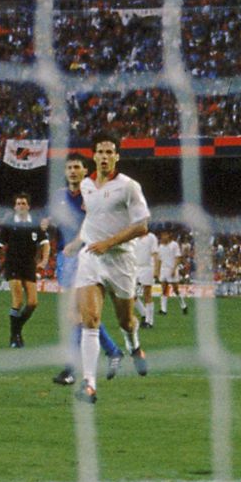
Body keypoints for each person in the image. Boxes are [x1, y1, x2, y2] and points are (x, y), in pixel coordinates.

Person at [65, 132, 151, 404]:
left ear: (117, 156)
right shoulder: (87, 185)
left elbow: (142, 225)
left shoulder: (129, 187)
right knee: (90, 319)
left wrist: (109, 242)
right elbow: (92, 217)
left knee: (126, 320)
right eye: (99, 152)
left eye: (109, 152)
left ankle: (133, 345)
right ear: (94, 156)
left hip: (121, 260)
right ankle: (89, 384)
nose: (104, 156)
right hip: (91, 258)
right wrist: (80, 241)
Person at [49, 156, 123, 387]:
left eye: (76, 167)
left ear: (84, 171)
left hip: (85, 256)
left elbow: (93, 222)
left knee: (76, 315)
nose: (72, 171)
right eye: (69, 167)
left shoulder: (91, 193)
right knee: (82, 314)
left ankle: (71, 370)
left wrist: (76, 242)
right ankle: (113, 352)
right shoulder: (59, 196)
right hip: (65, 257)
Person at [0, 192, 49, 348]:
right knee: (18, 300)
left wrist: (44, 260)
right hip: (13, 264)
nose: (21, 206)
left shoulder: (35, 223)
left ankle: (17, 329)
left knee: (33, 303)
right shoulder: (9, 224)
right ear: (15, 207)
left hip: (29, 265)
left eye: (24, 203)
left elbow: (46, 243)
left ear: (28, 206)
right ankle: (14, 336)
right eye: (19, 203)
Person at [155, 231, 189, 316]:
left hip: (171, 269)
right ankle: (163, 310)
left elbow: (178, 258)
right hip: (163, 270)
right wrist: (157, 271)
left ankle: (183, 306)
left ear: (169, 235)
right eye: (162, 235)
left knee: (175, 289)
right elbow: (159, 260)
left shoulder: (174, 245)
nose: (162, 237)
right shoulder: (160, 246)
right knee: (164, 289)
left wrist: (174, 269)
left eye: (164, 235)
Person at [132, 228, 159, 328]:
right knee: (131, 294)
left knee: (147, 293)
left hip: (147, 267)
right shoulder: (134, 238)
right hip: (135, 268)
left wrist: (156, 270)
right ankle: (144, 313)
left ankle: (149, 321)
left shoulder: (151, 237)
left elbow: (155, 254)